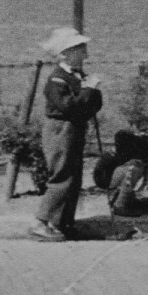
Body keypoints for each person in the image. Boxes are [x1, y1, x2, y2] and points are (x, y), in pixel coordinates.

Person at [29, 27, 104, 241]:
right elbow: (69, 107)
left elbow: (92, 106)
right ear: (65, 53)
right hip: (60, 130)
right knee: (62, 177)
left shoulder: (76, 76)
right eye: (80, 50)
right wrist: (89, 90)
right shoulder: (57, 80)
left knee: (74, 178)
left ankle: (62, 223)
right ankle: (40, 221)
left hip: (74, 129)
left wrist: (91, 91)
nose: (85, 54)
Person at [93, 128, 148, 216]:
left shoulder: (137, 145)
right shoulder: (135, 150)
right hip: (104, 178)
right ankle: (120, 206)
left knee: (136, 168)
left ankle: (126, 198)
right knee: (135, 169)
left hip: (110, 174)